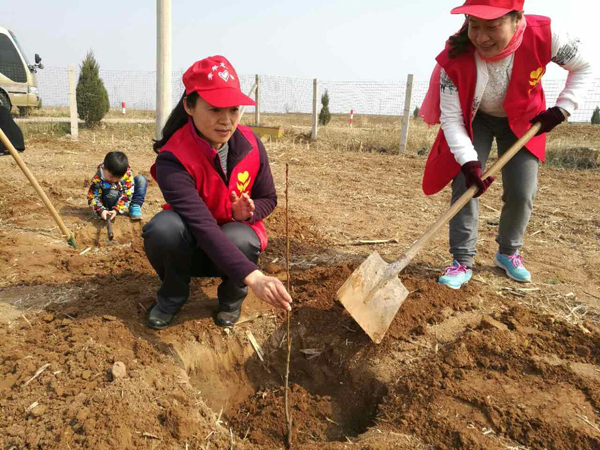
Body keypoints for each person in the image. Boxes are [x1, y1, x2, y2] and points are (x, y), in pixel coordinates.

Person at [419, 0, 592, 289]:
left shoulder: (547, 35)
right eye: (474, 25)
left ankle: (508, 252)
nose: (482, 37)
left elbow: (584, 66)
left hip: (525, 120)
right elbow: (451, 118)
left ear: (516, 19)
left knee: (522, 190)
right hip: (475, 119)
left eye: (493, 26)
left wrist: (563, 108)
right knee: (466, 184)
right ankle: (462, 259)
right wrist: (470, 162)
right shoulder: (455, 55)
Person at [142, 55, 292, 330]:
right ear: (189, 105)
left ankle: (231, 300)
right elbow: (201, 224)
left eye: (233, 110)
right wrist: (256, 277)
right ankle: (172, 297)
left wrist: (247, 214)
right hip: (191, 247)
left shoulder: (250, 144)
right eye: (214, 110)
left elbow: (268, 198)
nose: (226, 121)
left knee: (240, 236)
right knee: (163, 229)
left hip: (234, 245)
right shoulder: (173, 159)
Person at [87, 151, 147, 221]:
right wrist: (101, 210)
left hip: (121, 199)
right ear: (104, 169)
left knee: (141, 180)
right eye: (111, 176)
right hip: (108, 199)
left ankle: (134, 206)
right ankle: (108, 210)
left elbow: (127, 194)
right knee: (112, 193)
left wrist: (117, 209)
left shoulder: (126, 174)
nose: (114, 180)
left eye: (119, 177)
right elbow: (92, 197)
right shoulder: (98, 178)